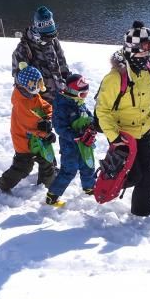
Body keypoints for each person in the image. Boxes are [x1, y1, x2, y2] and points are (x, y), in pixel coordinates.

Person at [94, 21, 150, 217]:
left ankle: (141, 210)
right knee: (135, 176)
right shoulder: (115, 78)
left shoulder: (149, 69)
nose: (147, 56)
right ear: (133, 50)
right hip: (124, 136)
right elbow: (102, 111)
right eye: (144, 51)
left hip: (146, 131)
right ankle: (107, 182)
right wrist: (115, 137)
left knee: (149, 174)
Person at [0, 63, 57, 193]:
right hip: (24, 141)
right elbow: (29, 125)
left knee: (47, 160)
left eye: (41, 84)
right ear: (28, 85)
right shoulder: (21, 102)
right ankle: (2, 184)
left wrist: (49, 116)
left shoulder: (33, 95)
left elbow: (45, 106)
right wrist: (45, 133)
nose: (40, 88)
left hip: (37, 137)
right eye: (37, 84)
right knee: (23, 167)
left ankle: (47, 185)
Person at [45, 74, 97, 207]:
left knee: (88, 165)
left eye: (86, 94)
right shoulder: (62, 105)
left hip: (85, 143)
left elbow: (87, 115)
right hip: (70, 146)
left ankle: (89, 188)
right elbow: (59, 127)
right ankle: (52, 196)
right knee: (69, 170)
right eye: (83, 94)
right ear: (74, 92)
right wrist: (75, 136)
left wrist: (93, 125)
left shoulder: (78, 102)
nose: (85, 97)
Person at [12, 5, 71, 104]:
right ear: (37, 32)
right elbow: (19, 81)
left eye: (52, 35)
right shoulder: (23, 50)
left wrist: (69, 83)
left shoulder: (53, 41)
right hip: (41, 101)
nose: (50, 39)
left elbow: (62, 64)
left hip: (60, 95)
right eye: (47, 37)